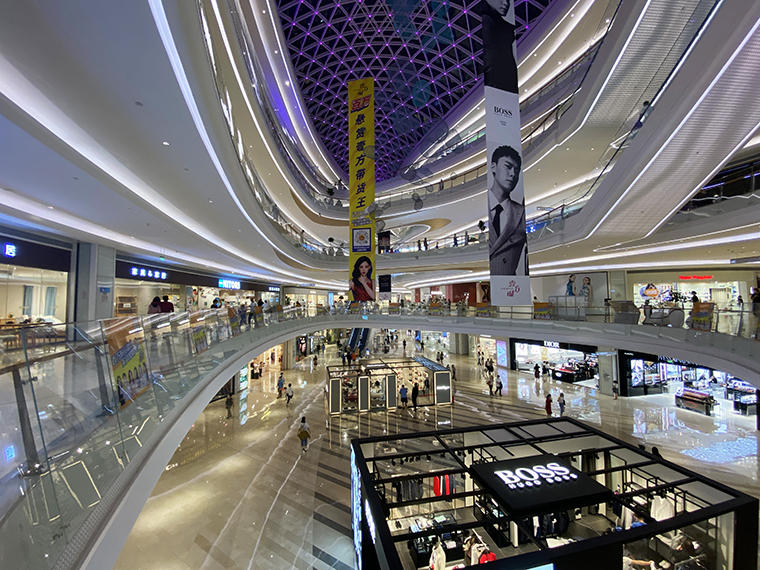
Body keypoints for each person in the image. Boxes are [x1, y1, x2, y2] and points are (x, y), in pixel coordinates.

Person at [488, 145, 527, 276]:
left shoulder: (521, 213)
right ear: (493, 167)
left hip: (509, 282)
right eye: (508, 167)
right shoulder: (479, 208)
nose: (513, 174)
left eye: (516, 170)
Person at [481, 0, 518, 94]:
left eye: (508, 0)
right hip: (501, 85)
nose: (505, 3)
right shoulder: (488, 23)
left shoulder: (496, 24)